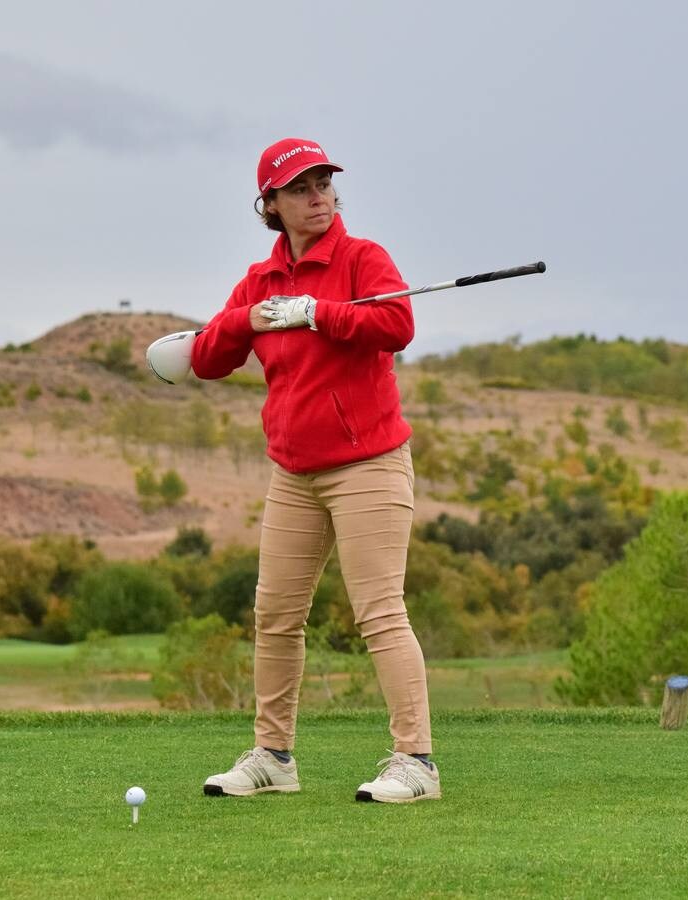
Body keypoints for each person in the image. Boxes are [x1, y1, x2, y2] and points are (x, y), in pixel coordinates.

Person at [188, 137, 439, 804]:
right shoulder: (261, 280)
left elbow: (396, 324)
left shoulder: (363, 259)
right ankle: (274, 756)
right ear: (270, 204)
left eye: (324, 182)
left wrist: (320, 314)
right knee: (275, 615)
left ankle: (416, 763)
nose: (318, 195)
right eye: (300, 188)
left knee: (379, 613)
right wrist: (249, 317)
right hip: (294, 473)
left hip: (368, 464)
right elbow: (210, 359)